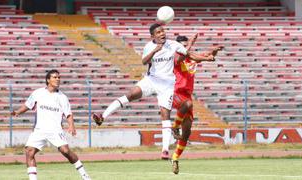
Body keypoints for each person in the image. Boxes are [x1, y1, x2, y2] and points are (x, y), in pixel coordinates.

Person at [92, 23, 215, 159]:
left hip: (167, 85)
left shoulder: (173, 44)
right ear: (153, 36)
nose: (162, 33)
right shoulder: (149, 47)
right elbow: (144, 61)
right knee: (130, 94)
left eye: (162, 31)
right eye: (158, 32)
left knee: (165, 115)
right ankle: (102, 116)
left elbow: (190, 55)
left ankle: (165, 150)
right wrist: (155, 50)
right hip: (151, 80)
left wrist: (206, 59)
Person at [11, 69, 91, 180]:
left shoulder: (62, 97)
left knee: (65, 151)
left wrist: (71, 125)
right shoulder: (38, 93)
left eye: (59, 77)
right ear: (48, 80)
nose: (58, 79)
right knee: (29, 151)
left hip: (55, 130)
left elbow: (68, 114)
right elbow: (28, 105)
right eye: (55, 77)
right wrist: (17, 112)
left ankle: (84, 174)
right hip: (39, 130)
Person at [171, 35, 223, 174]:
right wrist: (202, 54)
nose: (185, 47)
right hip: (175, 92)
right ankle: (174, 127)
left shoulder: (192, 57)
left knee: (187, 132)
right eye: (182, 45)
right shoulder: (176, 58)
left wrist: (214, 50)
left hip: (187, 95)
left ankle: (175, 158)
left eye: (186, 45)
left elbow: (206, 55)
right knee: (187, 104)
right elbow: (197, 56)